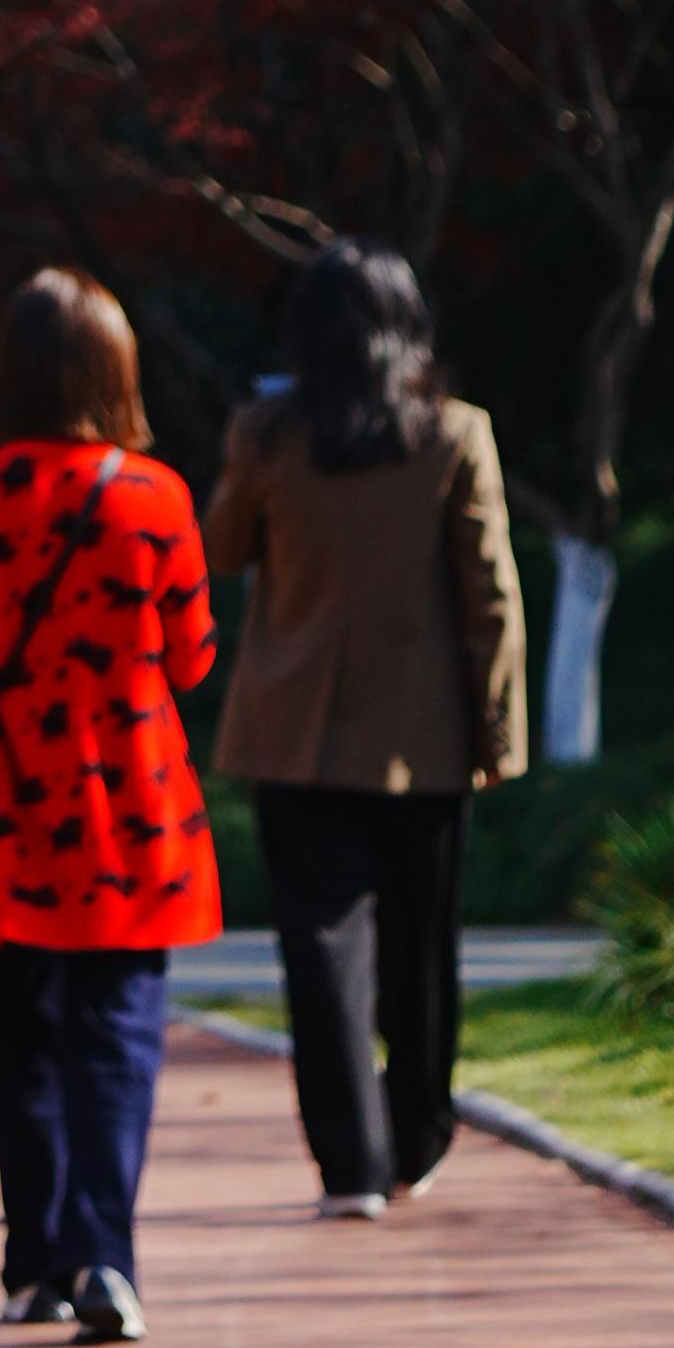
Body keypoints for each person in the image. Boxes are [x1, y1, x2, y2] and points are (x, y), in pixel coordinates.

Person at [0, 266, 221, 1347]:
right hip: (134, 808)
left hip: (20, 807)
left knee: (23, 1042)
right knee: (117, 1040)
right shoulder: (154, 498)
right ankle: (105, 1256)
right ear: (116, 371)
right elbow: (194, 657)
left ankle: (35, 1264)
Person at [206, 240, 528, 1217]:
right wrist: (499, 733)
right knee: (421, 945)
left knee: (320, 953)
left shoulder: (266, 434)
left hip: (291, 735)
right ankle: (418, 1134)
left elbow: (219, 550)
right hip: (421, 738)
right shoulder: (452, 433)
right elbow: (491, 597)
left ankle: (348, 1164)